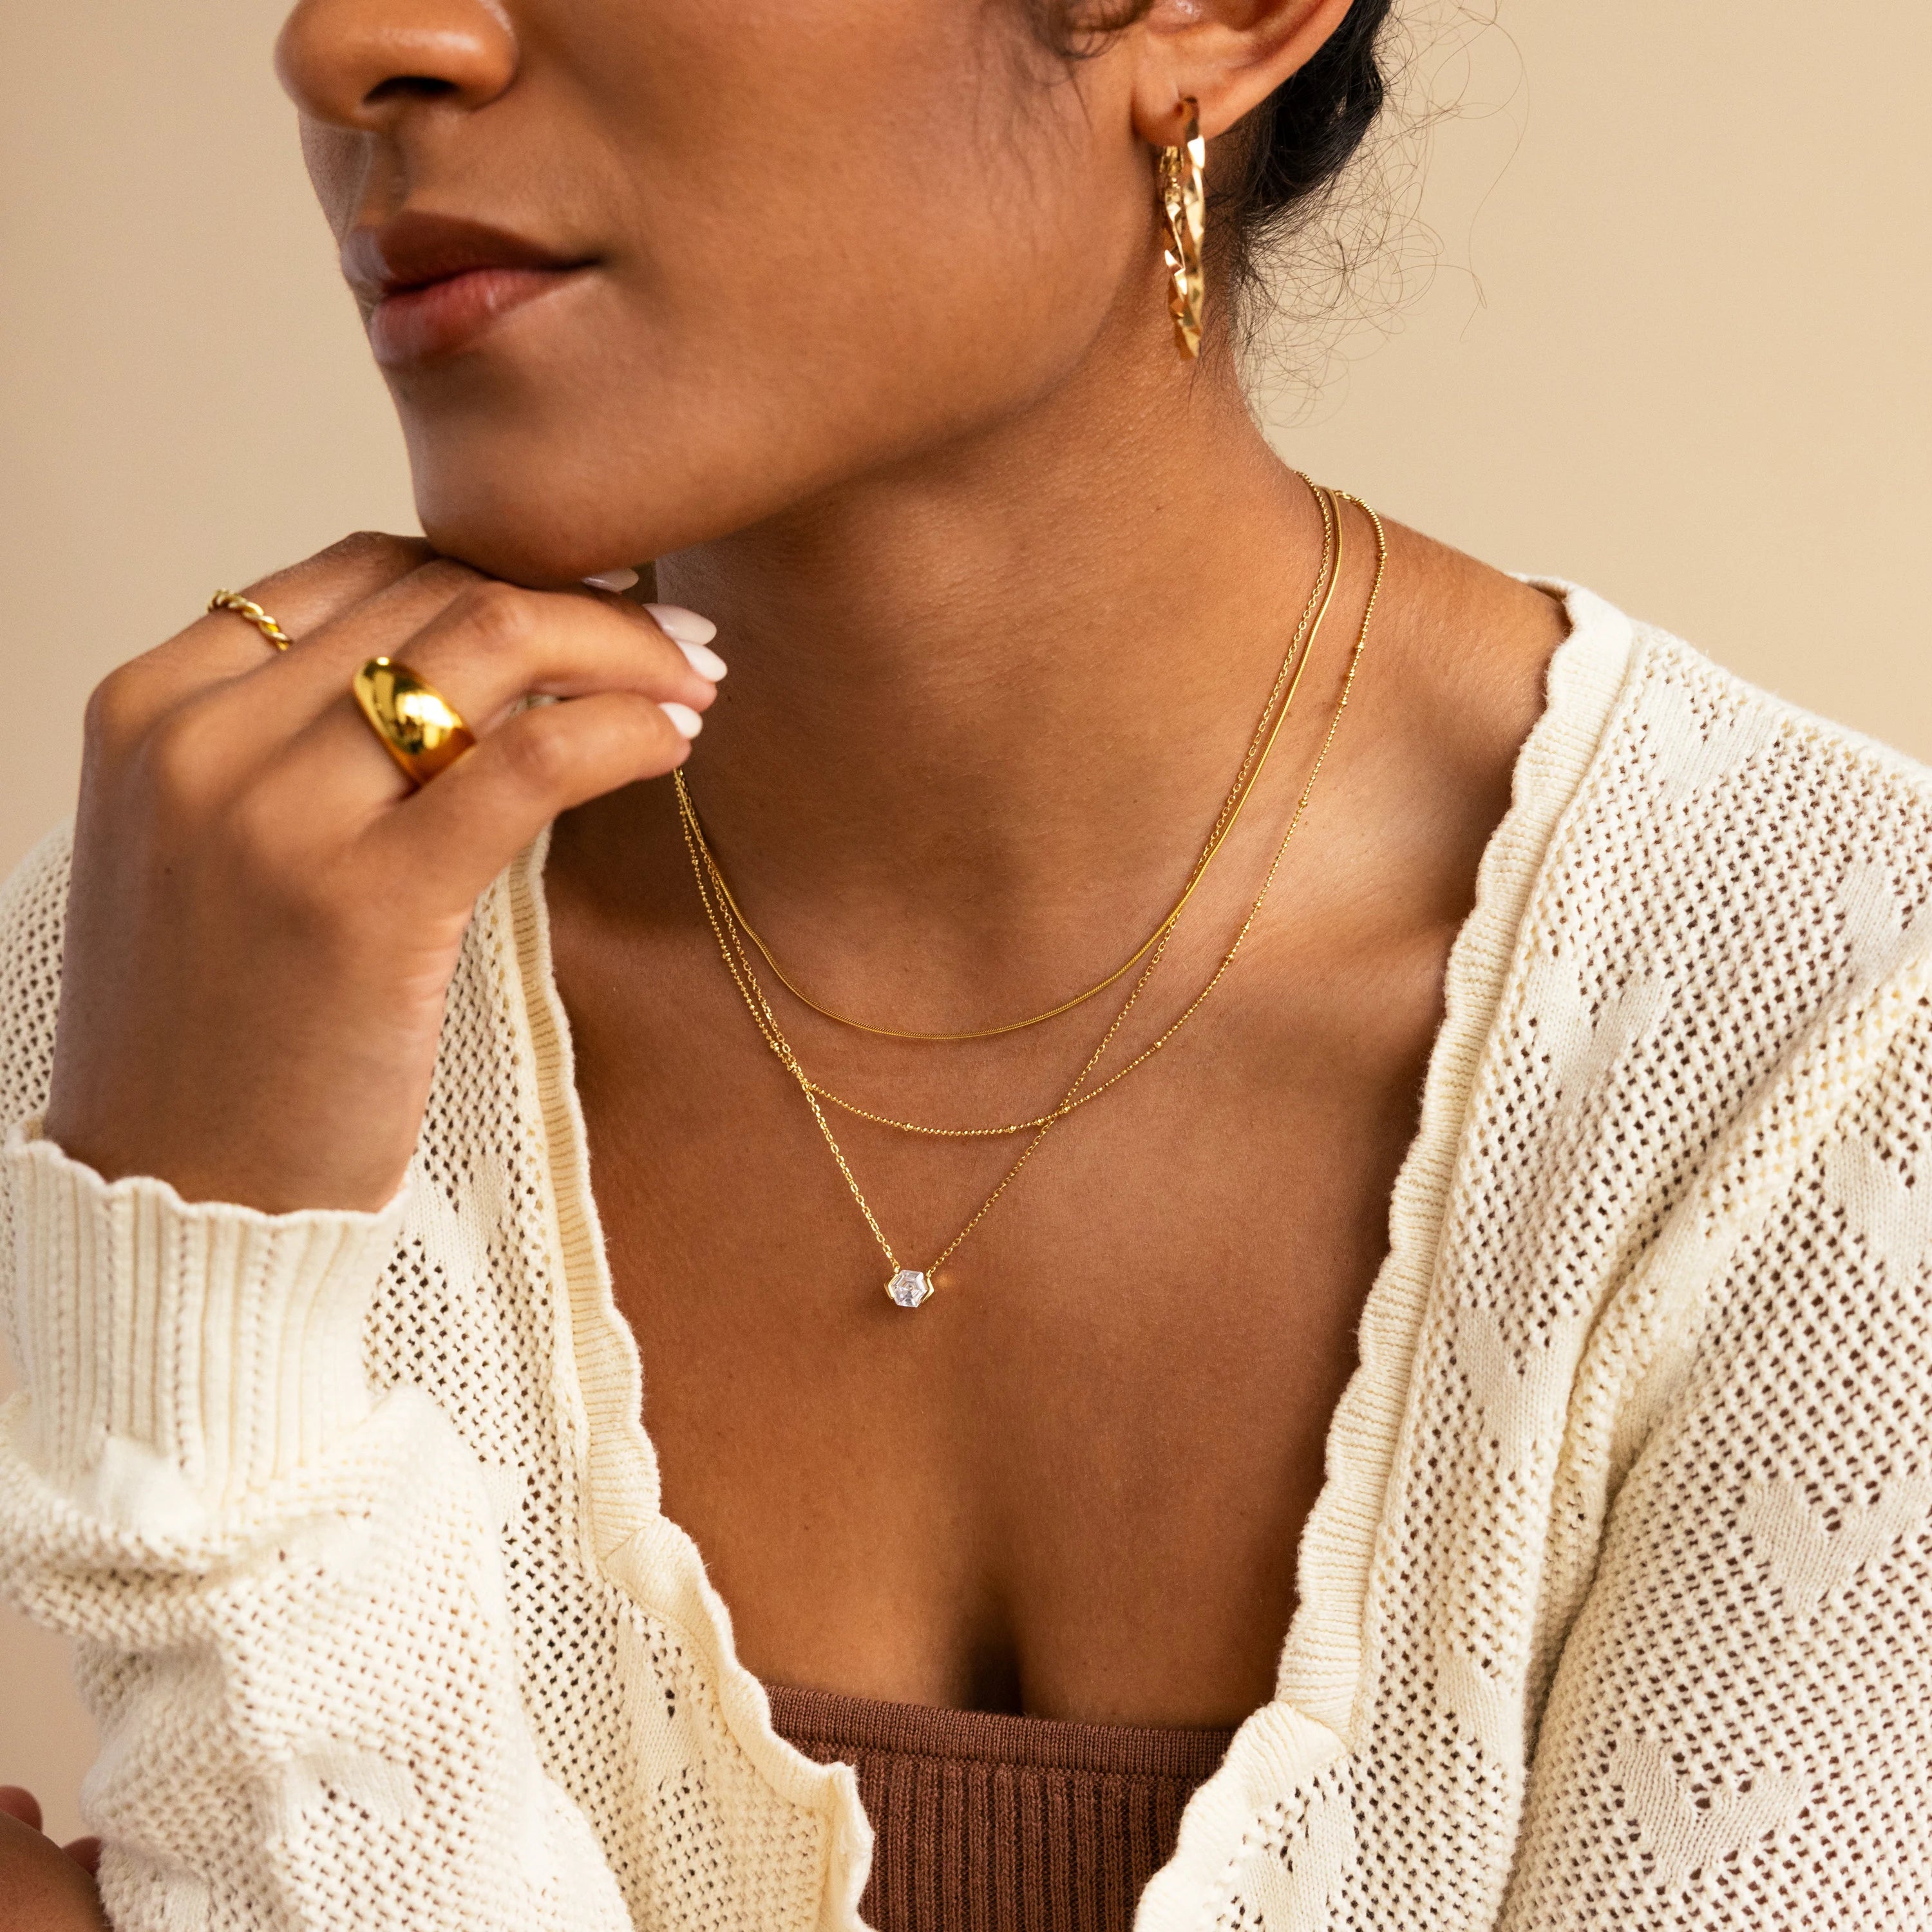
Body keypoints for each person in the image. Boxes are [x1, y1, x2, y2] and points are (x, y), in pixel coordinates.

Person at [3, 0, 1930, 1926]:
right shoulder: (190, 1004)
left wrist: (203, 1494)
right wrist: (199, 1290)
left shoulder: (1844, 1034)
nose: (347, 44)